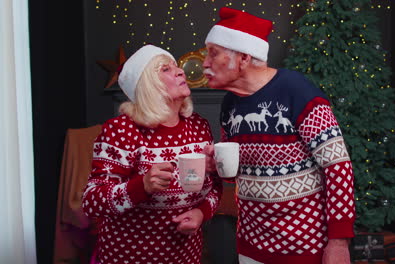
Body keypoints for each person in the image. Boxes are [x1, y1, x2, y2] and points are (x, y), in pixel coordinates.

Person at [202, 7, 356, 264]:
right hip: (251, 247)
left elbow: (337, 167)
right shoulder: (230, 104)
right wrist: (215, 166)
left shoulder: (297, 91)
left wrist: (339, 242)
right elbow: (234, 174)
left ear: (243, 57)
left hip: (304, 249)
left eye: (213, 53)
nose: (205, 62)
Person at [81, 44, 223, 264]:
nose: (179, 71)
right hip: (129, 256)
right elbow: (92, 201)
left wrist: (201, 213)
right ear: (148, 85)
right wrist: (142, 186)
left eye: (176, 67)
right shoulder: (122, 130)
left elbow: (214, 186)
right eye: (165, 69)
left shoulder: (198, 126)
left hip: (185, 256)